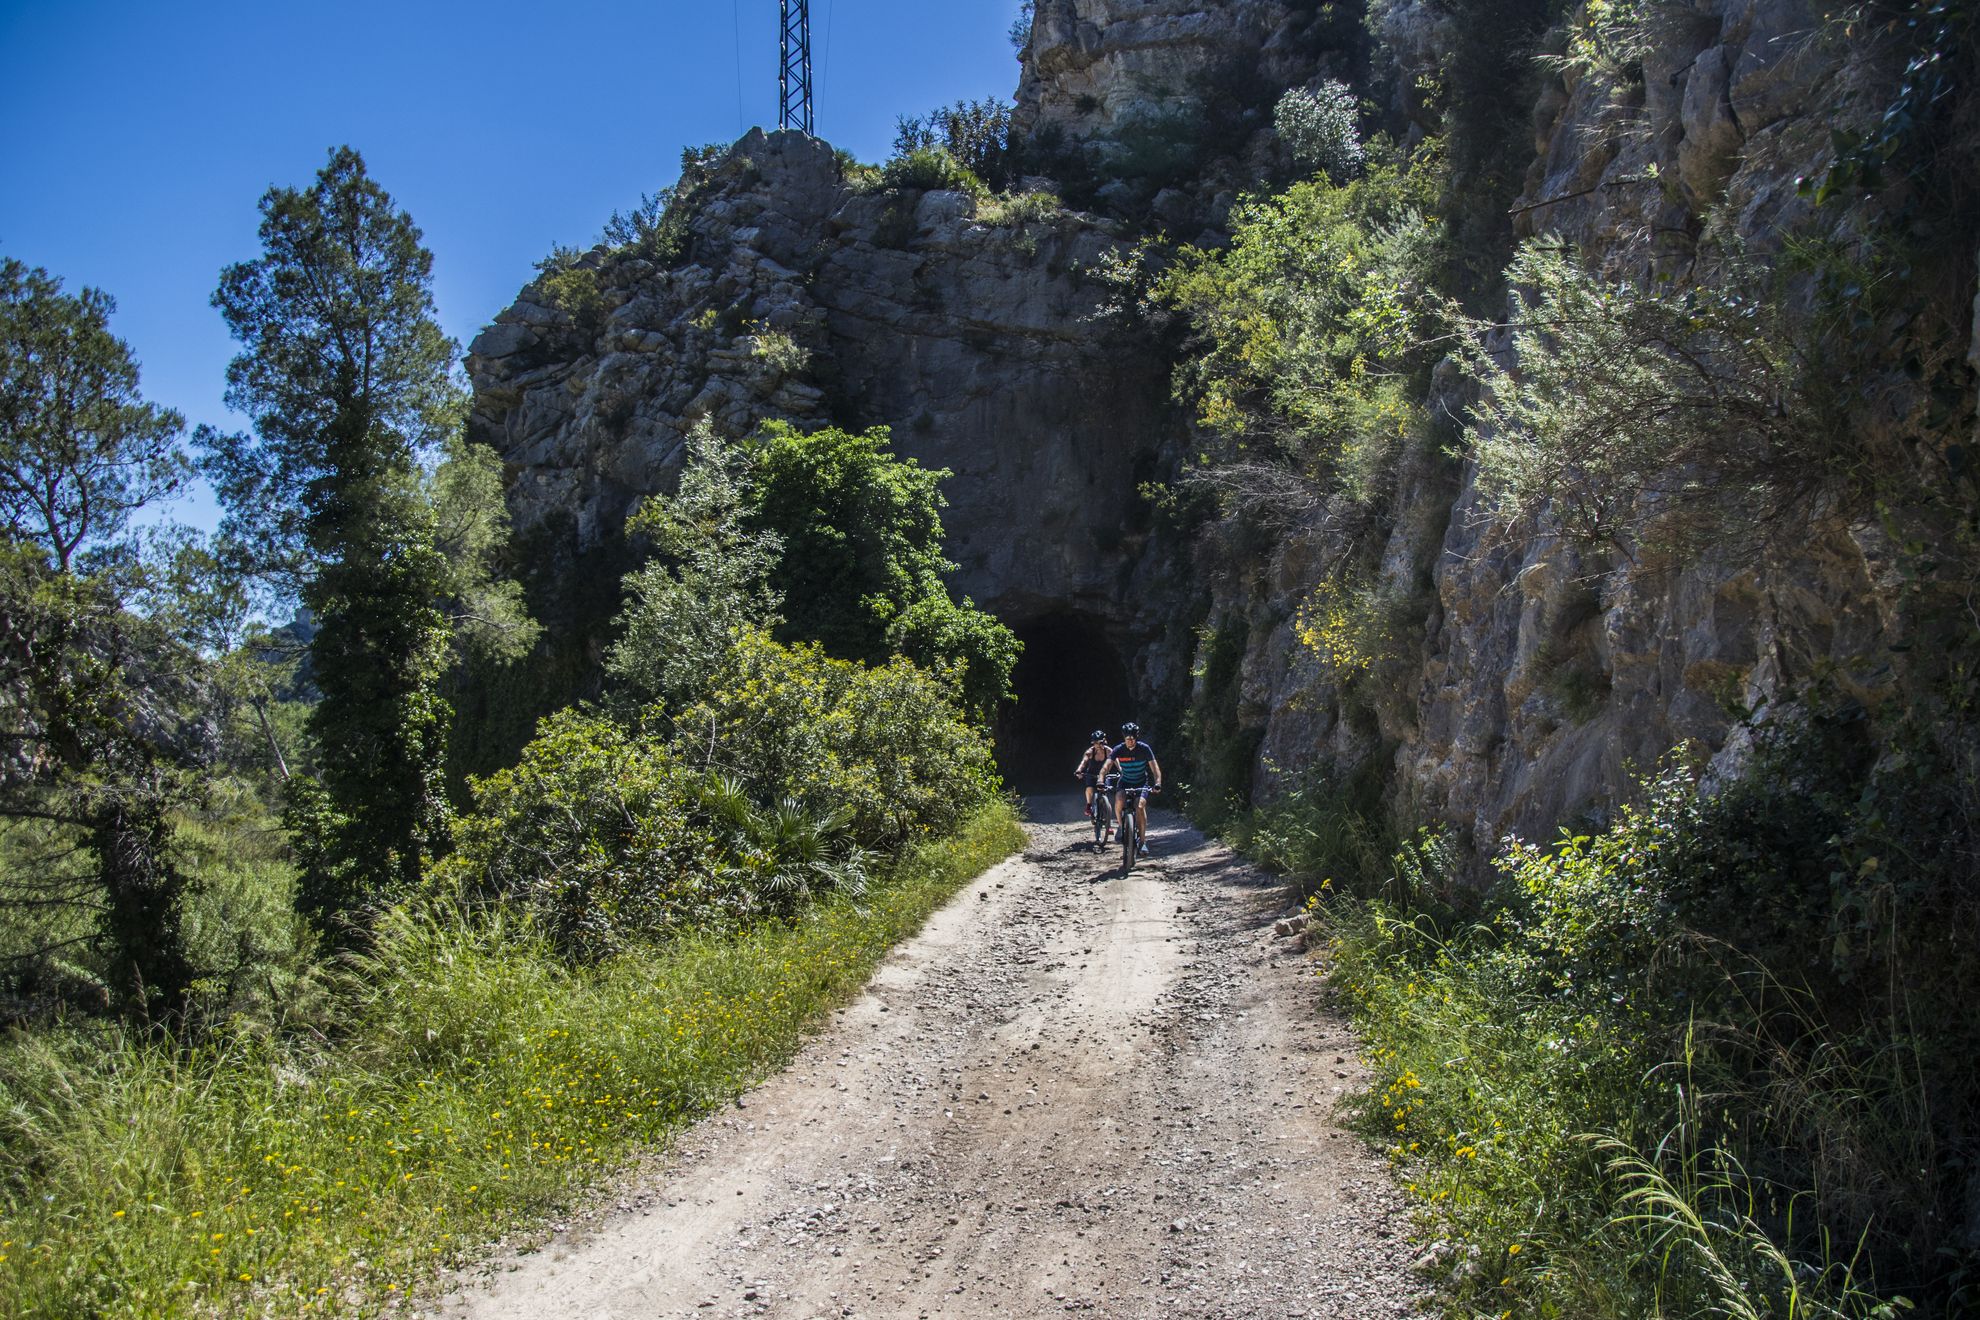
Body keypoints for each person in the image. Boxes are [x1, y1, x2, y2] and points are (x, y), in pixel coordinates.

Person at [1110, 723, 1163, 857]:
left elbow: (1155, 768)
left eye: (1133, 738)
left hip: (1141, 782)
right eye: (1128, 738)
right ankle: (1121, 827)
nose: (1130, 741)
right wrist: (1100, 779)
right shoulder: (1118, 749)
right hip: (1125, 782)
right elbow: (1106, 766)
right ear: (1124, 738)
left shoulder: (1144, 749)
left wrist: (1157, 783)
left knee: (1139, 806)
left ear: (1136, 737)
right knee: (1119, 799)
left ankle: (1143, 842)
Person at [1074, 730, 1113, 836]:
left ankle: (1108, 824)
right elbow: (1083, 762)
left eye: (1100, 742)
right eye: (1095, 743)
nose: (1098, 745)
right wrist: (1079, 770)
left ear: (1104, 741)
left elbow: (1117, 763)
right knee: (1090, 788)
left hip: (1104, 776)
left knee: (1106, 795)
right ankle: (1089, 805)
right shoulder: (1090, 752)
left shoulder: (1109, 751)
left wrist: (1123, 772)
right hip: (1091, 774)